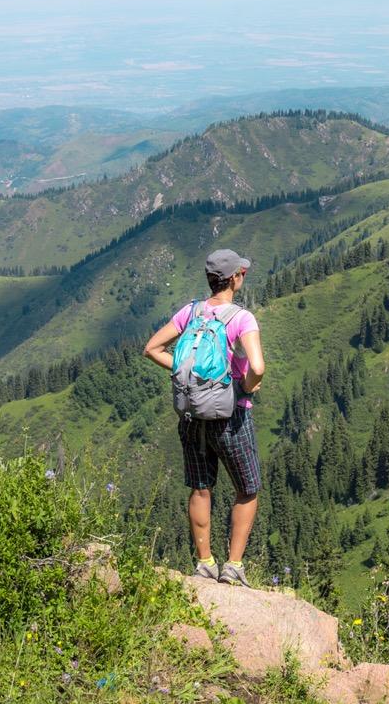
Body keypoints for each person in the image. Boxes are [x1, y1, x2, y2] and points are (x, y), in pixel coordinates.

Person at [143, 248, 265, 587]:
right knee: (248, 489)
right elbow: (257, 367)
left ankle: (205, 563)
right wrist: (244, 387)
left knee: (200, 488)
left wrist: (189, 372)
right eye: (243, 272)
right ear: (236, 278)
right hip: (231, 418)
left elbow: (151, 348)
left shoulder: (190, 312)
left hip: (192, 416)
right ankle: (234, 566)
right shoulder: (241, 319)